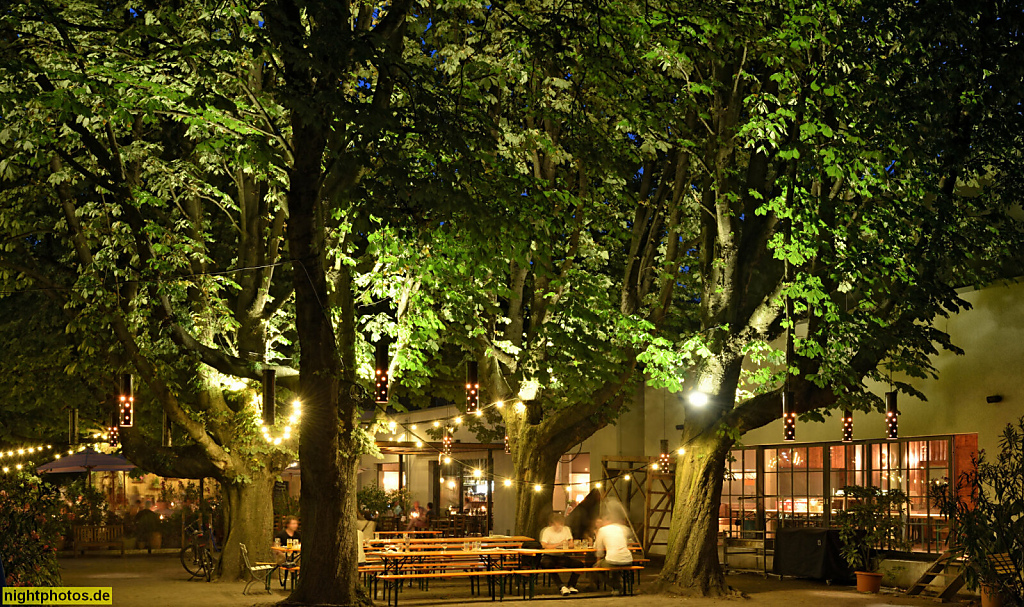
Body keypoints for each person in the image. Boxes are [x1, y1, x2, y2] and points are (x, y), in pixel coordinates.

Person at [539, 512, 583, 595]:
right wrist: (559, 544)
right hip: (549, 556)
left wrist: (567, 545)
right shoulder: (547, 531)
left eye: (561, 523)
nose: (560, 525)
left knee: (579, 564)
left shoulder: (566, 529)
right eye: (557, 523)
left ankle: (571, 585)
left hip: (562, 555)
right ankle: (561, 586)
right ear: (551, 523)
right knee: (547, 564)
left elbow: (571, 543)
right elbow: (544, 545)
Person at [593, 510, 633, 590]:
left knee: (595, 569)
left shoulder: (602, 530)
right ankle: (617, 588)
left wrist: (598, 561)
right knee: (615, 567)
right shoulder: (622, 528)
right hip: (629, 560)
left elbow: (598, 549)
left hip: (613, 560)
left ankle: (616, 586)